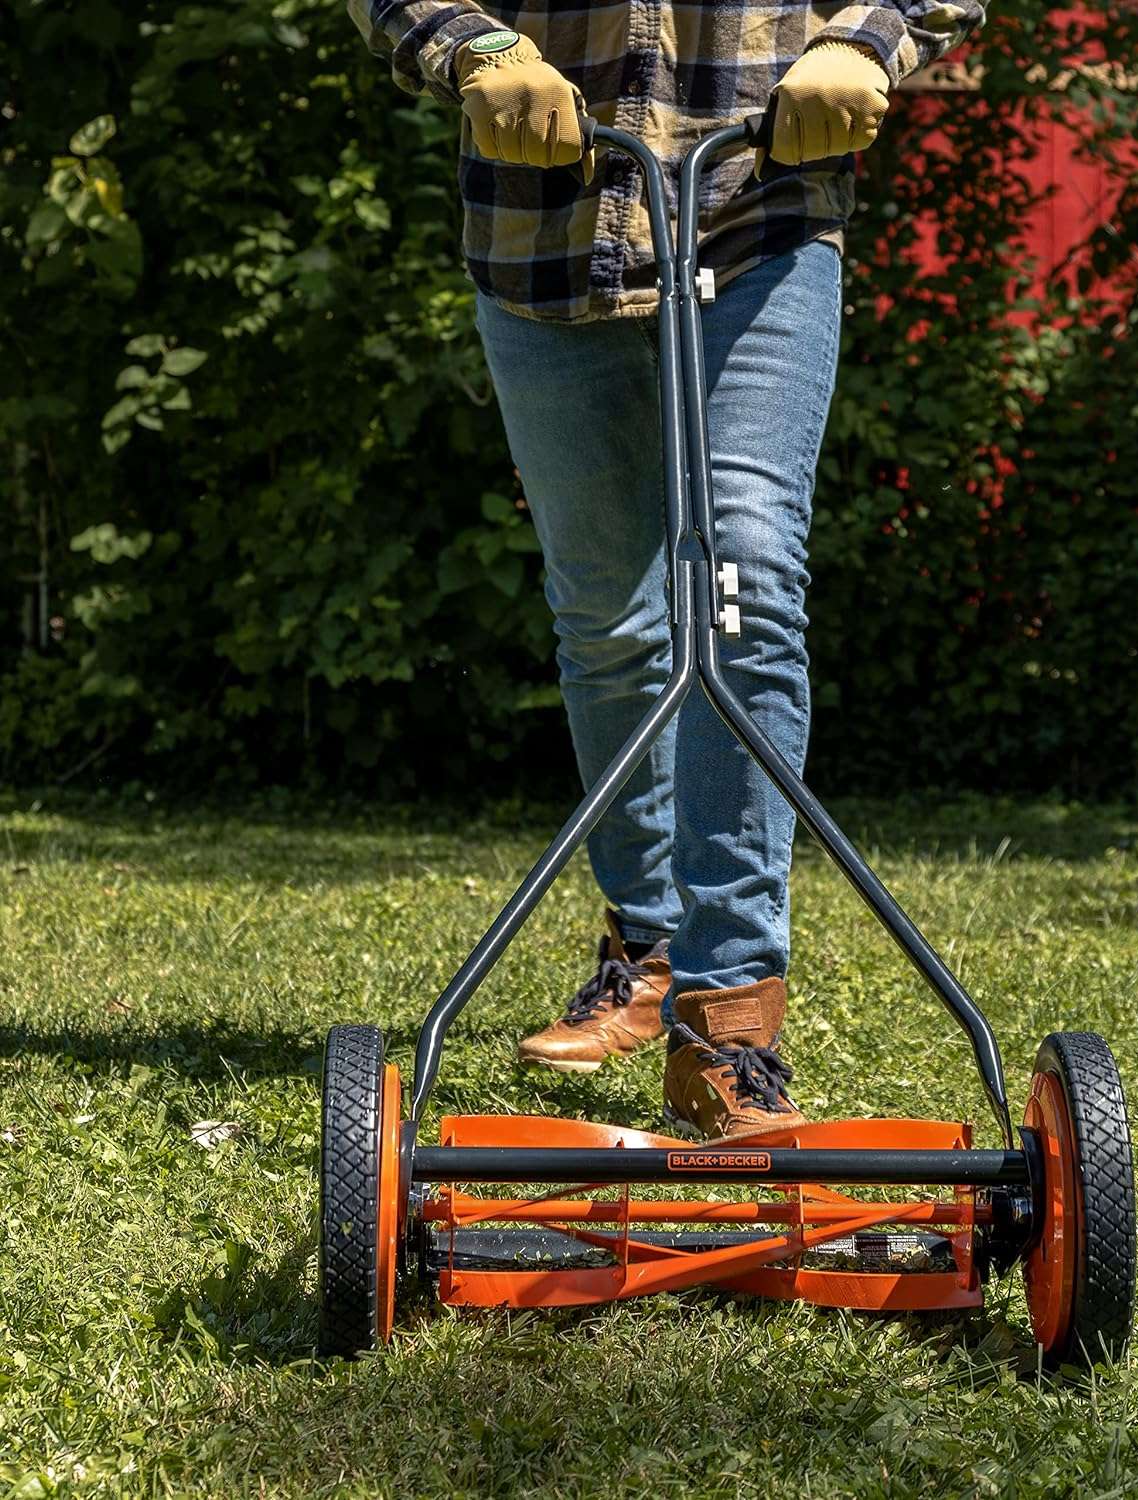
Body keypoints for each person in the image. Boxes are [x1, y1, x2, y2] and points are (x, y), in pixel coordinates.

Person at [349, 0, 984, 1138]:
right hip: (544, 232)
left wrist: (866, 40)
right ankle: (645, 946)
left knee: (744, 586)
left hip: (760, 210)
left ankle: (726, 1020)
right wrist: (469, 43)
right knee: (609, 617)